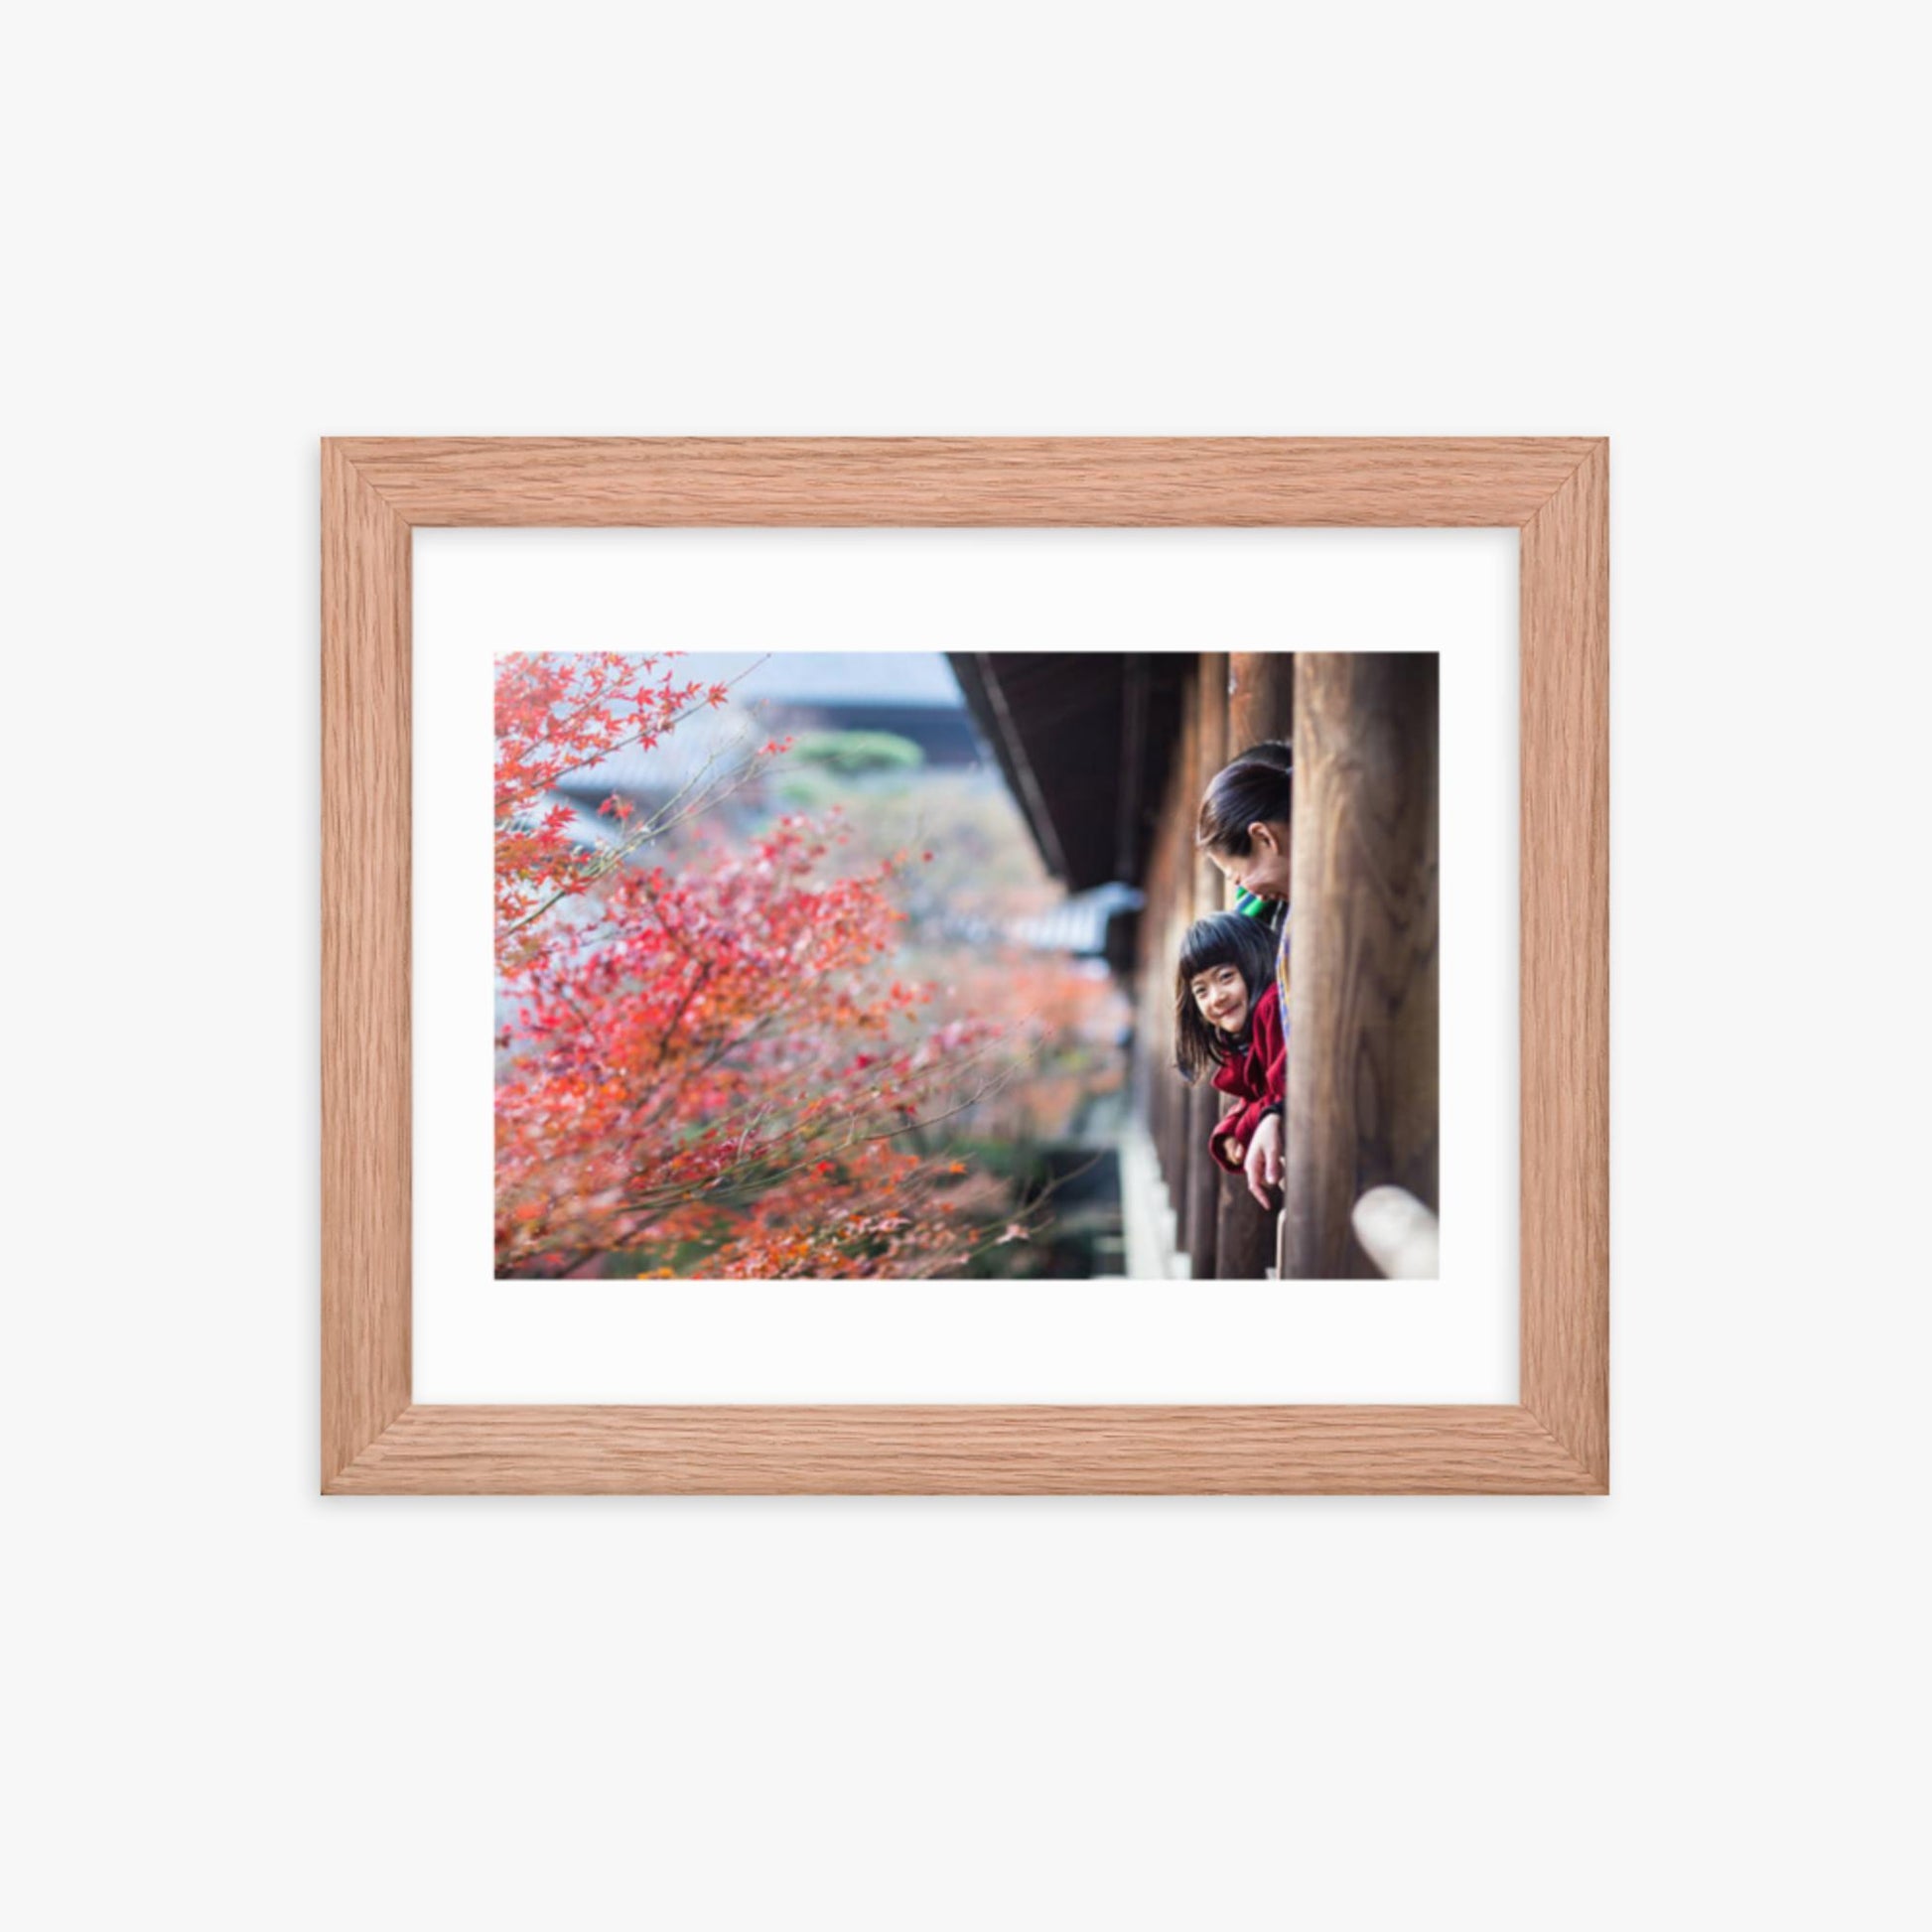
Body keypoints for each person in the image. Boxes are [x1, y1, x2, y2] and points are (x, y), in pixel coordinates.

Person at [1194, 751, 1294, 1203]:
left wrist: (1275, 1111)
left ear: (1264, 837)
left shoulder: (1301, 920)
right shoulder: (1282, 913)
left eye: (1239, 876)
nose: (1244, 894)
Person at [1173, 912, 1286, 1208]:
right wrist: (1230, 1130)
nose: (1216, 997)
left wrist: (1241, 1127)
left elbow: (1282, 1093)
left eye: (1226, 977)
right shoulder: (1237, 1042)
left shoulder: (1271, 1007)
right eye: (1201, 990)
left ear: (1253, 964)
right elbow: (1258, 1098)